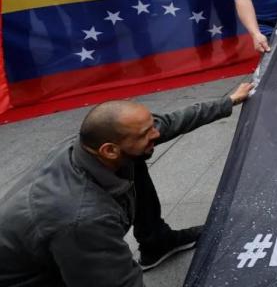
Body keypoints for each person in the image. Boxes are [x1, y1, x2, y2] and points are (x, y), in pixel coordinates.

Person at [0, 84, 252, 284]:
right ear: (108, 149)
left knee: (136, 158)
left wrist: (227, 102)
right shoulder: (84, 219)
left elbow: (167, 123)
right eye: (145, 132)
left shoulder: (95, 146)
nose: (155, 133)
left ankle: (156, 243)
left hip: (56, 242)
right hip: (33, 276)